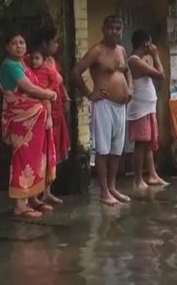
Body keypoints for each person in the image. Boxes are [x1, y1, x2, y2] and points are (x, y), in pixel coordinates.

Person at [72, 15, 133, 206]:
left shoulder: (122, 50)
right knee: (103, 150)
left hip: (121, 107)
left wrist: (130, 89)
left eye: (118, 28)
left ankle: (113, 187)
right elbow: (75, 72)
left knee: (116, 150)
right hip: (104, 105)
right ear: (104, 29)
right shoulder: (97, 51)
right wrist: (89, 93)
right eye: (112, 28)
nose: (115, 32)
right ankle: (104, 191)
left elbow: (127, 71)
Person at [0, 32, 57, 218]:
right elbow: (29, 88)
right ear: (7, 47)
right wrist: (50, 95)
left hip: (35, 121)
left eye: (22, 42)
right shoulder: (10, 66)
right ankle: (20, 205)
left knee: (37, 158)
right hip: (21, 120)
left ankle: (33, 198)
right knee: (23, 158)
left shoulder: (23, 63)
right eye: (14, 43)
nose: (19, 46)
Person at [27, 26, 72, 205]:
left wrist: (66, 97)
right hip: (43, 109)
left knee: (52, 152)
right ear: (45, 43)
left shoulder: (52, 61)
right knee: (40, 152)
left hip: (56, 108)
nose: (57, 45)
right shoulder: (34, 61)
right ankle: (34, 195)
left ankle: (47, 191)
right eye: (54, 42)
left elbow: (59, 82)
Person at [126, 29, 169, 191]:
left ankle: (152, 174)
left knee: (149, 143)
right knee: (141, 143)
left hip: (148, 106)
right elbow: (161, 75)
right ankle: (137, 179)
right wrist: (156, 56)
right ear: (145, 43)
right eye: (150, 43)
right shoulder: (135, 61)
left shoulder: (141, 60)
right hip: (140, 108)